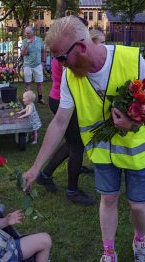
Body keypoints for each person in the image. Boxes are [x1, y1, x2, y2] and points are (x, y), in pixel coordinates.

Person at [23, 15, 145, 262]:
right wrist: (36, 167)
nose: (61, 65)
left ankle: (140, 239)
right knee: (107, 198)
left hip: (137, 150)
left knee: (138, 205)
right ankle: (109, 251)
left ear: (82, 48)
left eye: (62, 58)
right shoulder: (69, 77)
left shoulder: (129, 58)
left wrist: (133, 122)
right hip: (103, 152)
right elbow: (60, 122)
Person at [35, 56, 95, 205]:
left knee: (71, 143)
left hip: (59, 99)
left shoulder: (63, 53)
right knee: (77, 147)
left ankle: (45, 175)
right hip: (64, 101)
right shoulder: (66, 57)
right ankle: (72, 192)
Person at [21, 26, 46, 105]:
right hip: (27, 65)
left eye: (28, 33)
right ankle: (28, 100)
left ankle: (40, 99)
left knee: (39, 82)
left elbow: (43, 51)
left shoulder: (39, 40)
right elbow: (23, 54)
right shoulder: (24, 41)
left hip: (38, 65)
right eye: (26, 33)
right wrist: (27, 44)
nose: (26, 34)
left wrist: (43, 61)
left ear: (33, 33)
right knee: (28, 83)